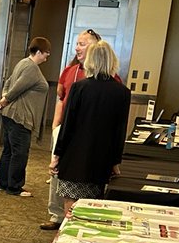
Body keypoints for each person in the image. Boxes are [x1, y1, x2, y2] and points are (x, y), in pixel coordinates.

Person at [50, 39, 131, 216]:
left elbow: (68, 125)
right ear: (112, 61)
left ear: (90, 61)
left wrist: (57, 156)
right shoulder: (122, 92)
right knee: (93, 208)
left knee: (71, 208)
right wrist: (116, 162)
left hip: (74, 157)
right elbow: (120, 131)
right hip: (101, 159)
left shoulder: (79, 88)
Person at [42, 28, 101, 229]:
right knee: (56, 172)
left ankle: (78, 219)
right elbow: (60, 99)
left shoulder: (105, 75)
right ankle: (56, 215)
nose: (77, 47)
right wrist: (55, 126)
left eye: (82, 44)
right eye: (77, 43)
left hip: (87, 134)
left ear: (95, 47)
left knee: (78, 178)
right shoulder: (69, 71)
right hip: (64, 129)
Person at [0, 35, 50, 200]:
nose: (47, 56)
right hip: (20, 117)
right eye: (46, 53)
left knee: (9, 150)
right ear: (38, 51)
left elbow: (8, 83)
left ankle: (3, 183)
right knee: (20, 153)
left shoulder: (22, 63)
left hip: (11, 115)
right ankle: (14, 187)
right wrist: (4, 100)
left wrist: (5, 99)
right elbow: (16, 87)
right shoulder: (31, 67)